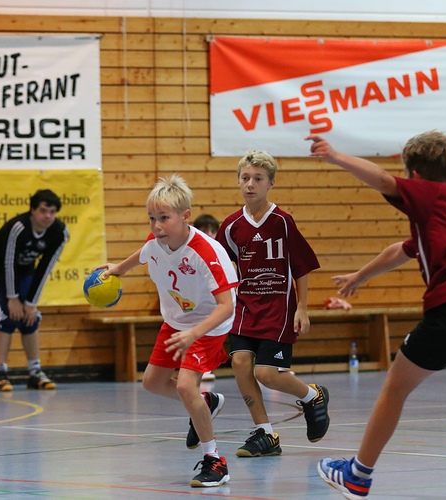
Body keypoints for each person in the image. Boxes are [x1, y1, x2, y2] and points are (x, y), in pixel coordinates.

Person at [308, 131, 446, 499]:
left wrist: (336, 156)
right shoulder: (441, 210)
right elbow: (402, 250)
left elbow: (383, 180)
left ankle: (357, 475)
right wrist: (361, 276)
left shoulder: (429, 194)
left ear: (416, 175)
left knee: (395, 388)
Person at [97, 174, 239, 487]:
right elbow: (144, 253)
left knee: (185, 387)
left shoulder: (205, 252)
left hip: (208, 324)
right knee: (152, 382)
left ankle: (215, 461)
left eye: (164, 218)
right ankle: (207, 402)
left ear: (185, 216)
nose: (157, 225)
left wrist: (194, 334)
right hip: (177, 321)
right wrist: (118, 269)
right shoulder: (156, 243)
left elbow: (227, 306)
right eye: (152, 218)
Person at [214, 150, 330, 458]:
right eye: (245, 178)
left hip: (278, 308)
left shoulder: (282, 221)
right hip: (245, 307)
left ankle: (312, 396)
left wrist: (302, 307)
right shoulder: (231, 225)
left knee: (267, 374)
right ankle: (265, 433)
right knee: (239, 363)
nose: (250, 184)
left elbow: (302, 266)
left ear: (271, 183)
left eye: (258, 178)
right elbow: (219, 267)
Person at [0, 189, 69, 392]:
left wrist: (30, 303)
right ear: (32, 210)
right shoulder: (18, 227)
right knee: (6, 316)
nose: (48, 216)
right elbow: (8, 262)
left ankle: (35, 372)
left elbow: (45, 268)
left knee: (31, 317)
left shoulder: (60, 232)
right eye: (43, 211)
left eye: (52, 212)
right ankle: (0, 373)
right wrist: (12, 297)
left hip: (24, 268)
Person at [193, 213, 221, 382]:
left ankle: (267, 364)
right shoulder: (190, 253)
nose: (209, 235)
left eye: (213, 231)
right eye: (204, 231)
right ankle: (200, 365)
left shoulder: (222, 253)